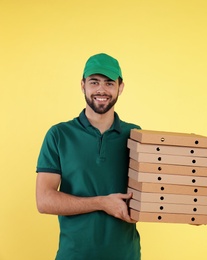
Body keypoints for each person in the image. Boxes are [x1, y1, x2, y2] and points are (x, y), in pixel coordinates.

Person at [36, 53, 141, 260]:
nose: (101, 90)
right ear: (83, 85)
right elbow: (44, 200)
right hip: (73, 255)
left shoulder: (136, 135)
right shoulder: (59, 135)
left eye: (109, 83)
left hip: (125, 255)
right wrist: (102, 203)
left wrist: (186, 208)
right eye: (94, 82)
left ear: (120, 87)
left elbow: (156, 187)